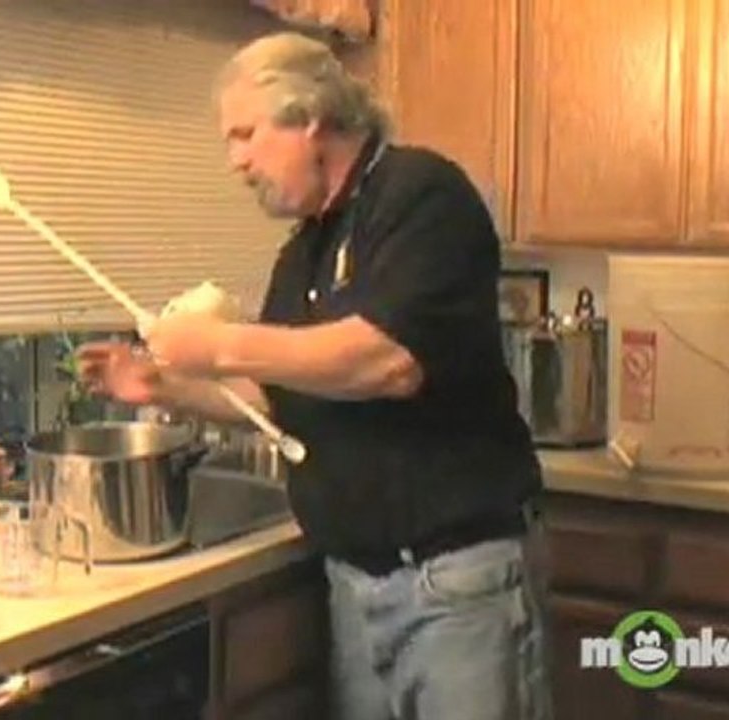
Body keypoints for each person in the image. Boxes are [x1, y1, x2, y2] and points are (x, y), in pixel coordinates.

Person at [77, 31, 552, 720]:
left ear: (311, 119)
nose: (235, 161)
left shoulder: (423, 196)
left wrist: (218, 343)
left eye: (245, 135)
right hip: (355, 587)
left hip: (458, 585)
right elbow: (277, 393)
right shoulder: (303, 251)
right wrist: (161, 387)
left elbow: (385, 362)